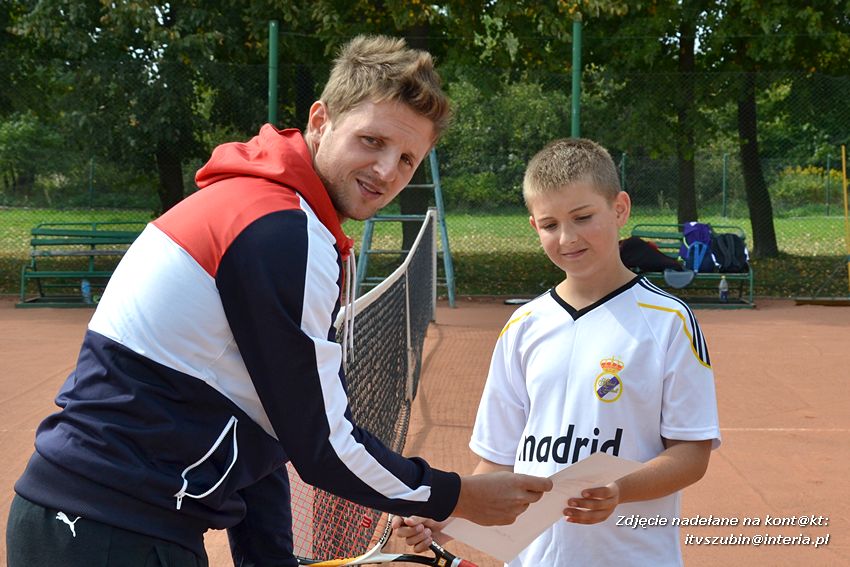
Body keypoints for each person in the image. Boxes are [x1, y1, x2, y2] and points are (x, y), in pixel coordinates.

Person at [6, 35, 552, 567]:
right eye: (372, 141)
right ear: (321, 121)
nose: (387, 170)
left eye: (408, 158)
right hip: (110, 527)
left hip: (107, 520)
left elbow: (267, 424)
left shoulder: (268, 208)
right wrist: (456, 496)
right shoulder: (279, 229)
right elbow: (322, 445)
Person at [394, 138, 721, 566]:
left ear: (619, 209)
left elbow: (691, 454)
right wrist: (446, 517)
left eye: (583, 217)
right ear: (534, 226)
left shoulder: (667, 320)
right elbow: (496, 460)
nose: (567, 238)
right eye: (550, 225)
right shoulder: (523, 326)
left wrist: (620, 490)